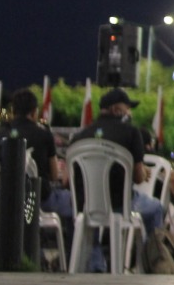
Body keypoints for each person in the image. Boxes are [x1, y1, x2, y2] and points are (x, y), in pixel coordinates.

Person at [70, 88, 167, 272]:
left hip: (84, 207)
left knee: (90, 225)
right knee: (155, 207)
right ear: (116, 110)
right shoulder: (131, 132)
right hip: (120, 206)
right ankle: (154, 265)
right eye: (128, 108)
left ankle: (96, 265)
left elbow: (70, 179)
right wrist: (143, 173)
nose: (130, 113)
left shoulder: (79, 136)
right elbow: (138, 178)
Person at [0, 89, 75, 261]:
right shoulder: (44, 134)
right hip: (40, 200)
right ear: (34, 111)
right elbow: (53, 175)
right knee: (76, 203)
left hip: (5, 201)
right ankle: (73, 256)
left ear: (13, 111)